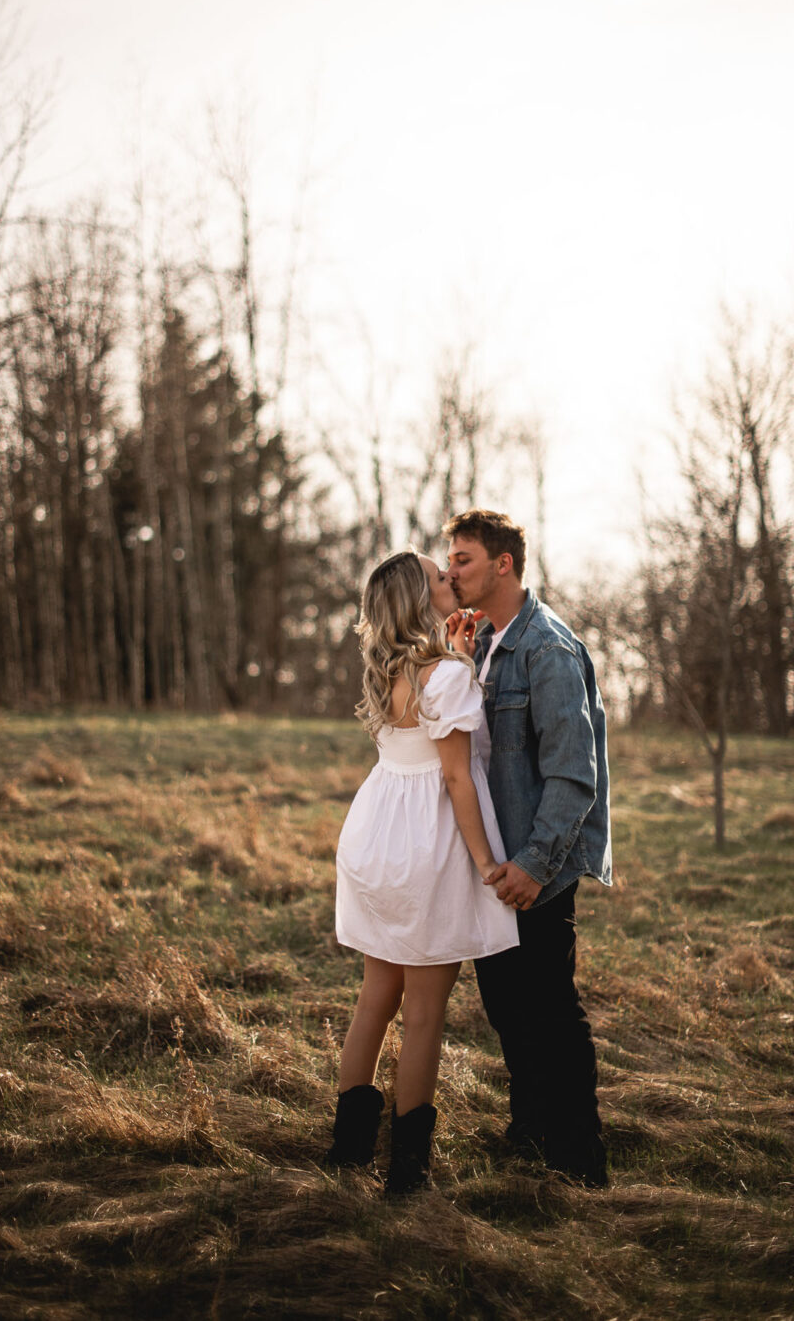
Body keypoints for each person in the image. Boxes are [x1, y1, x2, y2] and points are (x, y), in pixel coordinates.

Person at [325, 550, 519, 1194]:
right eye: (440, 578)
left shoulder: (385, 673)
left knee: (375, 999)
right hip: (424, 846)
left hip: (374, 837)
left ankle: (347, 1152)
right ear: (418, 599)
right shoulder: (448, 677)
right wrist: (486, 860)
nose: (451, 582)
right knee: (425, 1016)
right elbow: (458, 777)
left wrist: (453, 653)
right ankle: (407, 1173)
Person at [444, 508, 612, 1189]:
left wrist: (536, 867)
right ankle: (531, 1132)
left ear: (502, 564)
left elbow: (574, 776)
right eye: (450, 561)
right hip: (500, 866)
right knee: (507, 1004)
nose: (452, 571)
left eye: (463, 560)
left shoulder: (547, 649)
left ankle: (579, 1158)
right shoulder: (485, 644)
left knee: (548, 1007)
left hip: (538, 863)